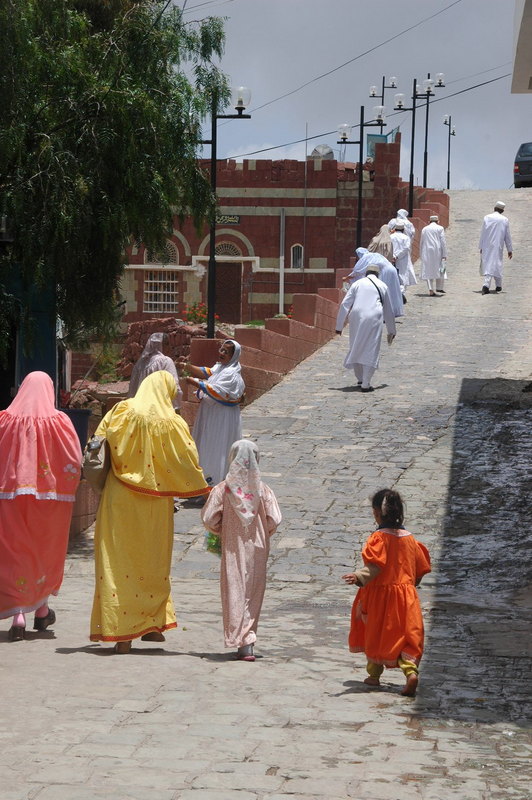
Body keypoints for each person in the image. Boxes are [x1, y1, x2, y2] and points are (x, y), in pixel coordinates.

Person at [89, 370, 209, 653]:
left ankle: (123, 634)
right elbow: (188, 458)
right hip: (156, 504)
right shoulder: (173, 422)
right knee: (153, 565)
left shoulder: (122, 410)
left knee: (118, 563)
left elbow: (98, 441)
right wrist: (201, 486)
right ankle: (152, 625)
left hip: (119, 498)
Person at [0, 372, 82, 641]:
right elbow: (74, 457)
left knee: (14, 552)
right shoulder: (60, 421)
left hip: (9, 498)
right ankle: (41, 610)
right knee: (44, 551)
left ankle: (20, 615)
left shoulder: (4, 420)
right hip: (50, 501)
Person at [342, 489, 431, 696]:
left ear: (376, 513)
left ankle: (374, 676)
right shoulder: (410, 539)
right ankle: (410, 672)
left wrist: (358, 576)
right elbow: (420, 569)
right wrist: (410, 585)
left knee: (376, 633)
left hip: (380, 598)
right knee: (405, 636)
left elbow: (375, 567)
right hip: (407, 598)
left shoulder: (379, 538)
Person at [201, 439, 282, 661]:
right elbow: (274, 519)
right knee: (253, 590)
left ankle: (240, 639)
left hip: (232, 545)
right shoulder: (264, 490)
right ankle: (248, 642)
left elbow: (209, 518)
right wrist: (262, 532)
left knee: (234, 588)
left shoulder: (222, 490)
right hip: (258, 545)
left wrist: (221, 530)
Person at [180, 339, 245, 488]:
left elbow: (217, 392)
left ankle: (215, 481)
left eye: (226, 352)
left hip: (221, 416)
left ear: (233, 356)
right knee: (206, 443)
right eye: (221, 349)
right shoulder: (221, 367)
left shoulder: (231, 373)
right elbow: (207, 372)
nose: (221, 353)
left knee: (217, 445)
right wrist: (186, 366)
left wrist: (193, 381)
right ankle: (202, 482)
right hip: (211, 413)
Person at [335, 262, 396, 392]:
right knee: (371, 347)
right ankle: (366, 383)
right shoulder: (382, 285)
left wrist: (339, 326)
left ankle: (360, 378)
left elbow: (345, 304)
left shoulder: (357, 284)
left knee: (356, 345)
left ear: (366, 273)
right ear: (378, 274)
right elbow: (389, 311)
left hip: (356, 316)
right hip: (374, 317)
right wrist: (391, 331)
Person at [128, 332, 182, 409]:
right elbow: (174, 386)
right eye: (167, 344)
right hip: (159, 409)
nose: (170, 348)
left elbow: (132, 389)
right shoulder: (165, 361)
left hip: (139, 409)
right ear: (162, 345)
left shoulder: (139, 365)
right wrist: (176, 406)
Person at [345, 249, 404, 319]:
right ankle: (392, 311)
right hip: (392, 269)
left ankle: (384, 313)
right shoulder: (375, 255)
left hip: (385, 272)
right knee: (391, 291)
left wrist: (348, 277)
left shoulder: (365, 258)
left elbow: (358, 271)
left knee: (382, 292)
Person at [479, 200, 513, 294]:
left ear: (494, 208)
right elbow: (507, 236)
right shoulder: (504, 220)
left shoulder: (487, 217)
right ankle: (488, 285)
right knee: (496, 264)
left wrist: (481, 246)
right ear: (502, 211)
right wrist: (509, 249)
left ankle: (497, 285)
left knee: (490, 264)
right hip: (498, 246)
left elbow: (483, 233)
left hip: (487, 245)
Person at [420, 214, 448, 296]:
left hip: (426, 251)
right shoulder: (440, 228)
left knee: (428, 269)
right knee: (441, 268)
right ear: (438, 221)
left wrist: (421, 253)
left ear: (429, 221)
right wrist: (444, 253)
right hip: (437, 251)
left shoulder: (425, 229)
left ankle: (430, 289)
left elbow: (421, 242)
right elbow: (443, 242)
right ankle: (439, 287)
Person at [390, 219, 417, 301]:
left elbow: (389, 248)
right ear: (403, 229)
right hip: (403, 259)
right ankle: (401, 294)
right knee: (403, 277)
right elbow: (406, 248)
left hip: (392, 259)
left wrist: (394, 256)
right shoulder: (406, 238)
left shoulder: (391, 237)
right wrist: (398, 256)